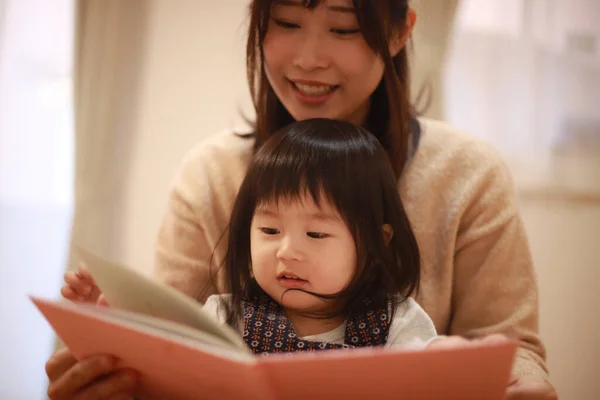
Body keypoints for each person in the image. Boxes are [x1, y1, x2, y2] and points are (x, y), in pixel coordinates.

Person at [48, 0, 557, 399]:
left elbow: (510, 348)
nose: (309, 59)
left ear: (401, 30)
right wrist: (111, 372)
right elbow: (171, 349)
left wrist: (513, 381)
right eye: (286, 21)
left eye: (344, 28)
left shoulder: (467, 175)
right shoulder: (212, 174)